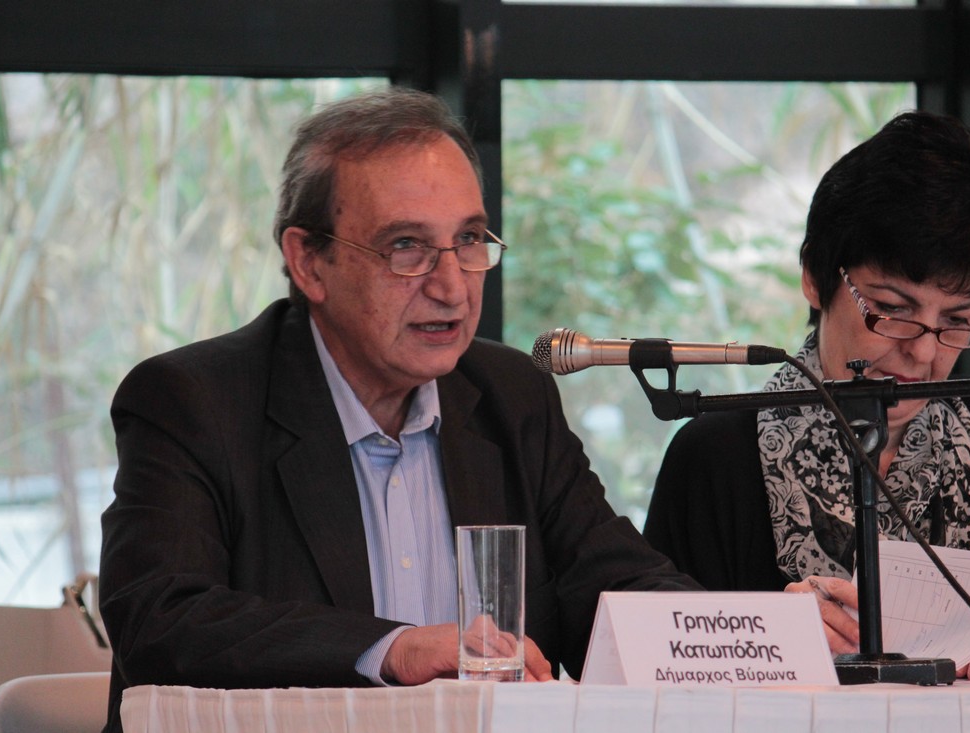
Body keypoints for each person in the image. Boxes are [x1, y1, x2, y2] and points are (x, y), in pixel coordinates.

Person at [99, 87, 698, 733]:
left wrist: (742, 637)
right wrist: (394, 649)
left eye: (469, 239)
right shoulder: (195, 401)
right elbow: (160, 620)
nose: (452, 286)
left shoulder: (510, 395)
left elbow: (619, 589)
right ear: (309, 262)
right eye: (406, 246)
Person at [644, 111, 970, 681]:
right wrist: (763, 634)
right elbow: (654, 664)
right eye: (892, 310)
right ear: (816, 277)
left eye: (957, 321)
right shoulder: (716, 459)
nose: (924, 352)